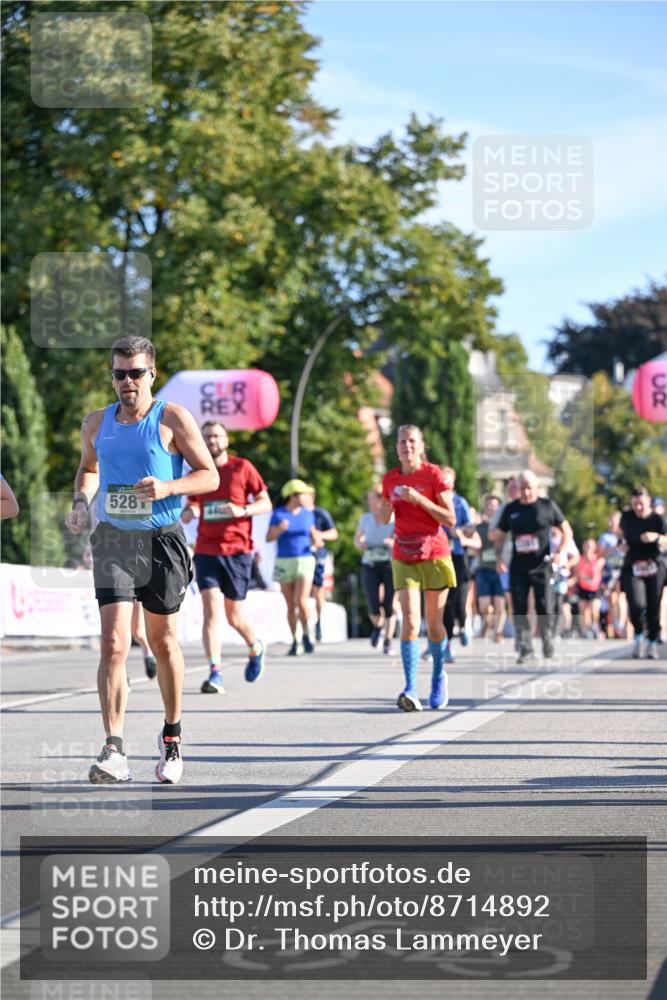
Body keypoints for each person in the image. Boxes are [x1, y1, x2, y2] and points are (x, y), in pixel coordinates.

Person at [66, 336, 218, 785]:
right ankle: (113, 747)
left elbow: (209, 475)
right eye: (119, 373)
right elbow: (89, 470)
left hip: (162, 540)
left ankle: (171, 736)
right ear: (111, 376)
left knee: (164, 641)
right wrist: (80, 502)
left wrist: (169, 488)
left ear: (152, 373)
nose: (127, 382)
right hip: (113, 538)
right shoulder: (96, 422)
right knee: (113, 643)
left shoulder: (171, 418)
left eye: (135, 373)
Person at [181, 421, 272, 693]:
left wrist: (242, 511)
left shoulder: (242, 467)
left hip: (237, 551)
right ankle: (215, 672)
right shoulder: (199, 473)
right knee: (210, 610)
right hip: (206, 549)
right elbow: (193, 507)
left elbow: (265, 502)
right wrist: (189, 513)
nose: (212, 440)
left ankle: (255, 646)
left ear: (226, 440)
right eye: (207, 436)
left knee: (234, 617)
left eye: (217, 436)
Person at [380, 425, 456, 712]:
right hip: (404, 553)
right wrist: (387, 510)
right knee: (411, 622)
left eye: (412, 441)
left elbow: (450, 519)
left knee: (434, 625)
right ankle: (411, 688)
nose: (406, 446)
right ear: (396, 446)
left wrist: (419, 499)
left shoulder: (433, 475)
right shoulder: (390, 478)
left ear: (421, 446)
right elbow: (384, 516)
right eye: (402, 441)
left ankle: (438, 676)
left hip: (435, 553)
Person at [493, 471, 574, 663]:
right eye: (522, 489)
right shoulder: (511, 509)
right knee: (519, 607)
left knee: (544, 606)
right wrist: (498, 558)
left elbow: (566, 530)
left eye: (529, 488)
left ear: (537, 488)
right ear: (518, 490)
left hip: (542, 565)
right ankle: (525, 648)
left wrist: (561, 551)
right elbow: (501, 536)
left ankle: (547, 639)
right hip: (519, 567)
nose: (526, 492)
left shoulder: (547, 506)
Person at [267, 480, 323, 656]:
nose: (306, 497)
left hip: (304, 559)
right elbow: (269, 538)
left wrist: (317, 539)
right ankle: (295, 640)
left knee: (301, 600)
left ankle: (307, 634)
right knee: (290, 605)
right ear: (293, 496)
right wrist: (279, 529)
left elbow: (315, 538)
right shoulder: (278, 514)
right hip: (284, 561)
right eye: (303, 493)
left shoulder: (308, 514)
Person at [619, 486, 667, 659]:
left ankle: (652, 643)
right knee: (636, 604)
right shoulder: (627, 518)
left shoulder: (658, 520)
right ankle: (639, 636)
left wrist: (657, 537)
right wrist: (621, 544)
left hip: (654, 565)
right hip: (634, 565)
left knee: (654, 606)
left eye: (641, 504)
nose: (638, 507)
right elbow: (621, 536)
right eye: (635, 504)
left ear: (648, 502)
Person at [354, 488, 396, 654]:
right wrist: (360, 543)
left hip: (389, 564)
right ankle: (378, 628)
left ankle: (388, 641)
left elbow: (400, 536)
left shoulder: (393, 518)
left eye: (373, 499)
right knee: (373, 604)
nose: (370, 502)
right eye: (369, 499)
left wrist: (392, 542)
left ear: (381, 500)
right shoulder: (365, 518)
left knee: (389, 604)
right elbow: (357, 538)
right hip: (370, 563)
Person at [441, 466, 475, 661]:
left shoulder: (459, 502)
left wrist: (461, 531)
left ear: (453, 483)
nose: (445, 485)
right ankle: (448, 645)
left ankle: (463, 625)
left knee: (460, 603)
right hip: (441, 557)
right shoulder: (435, 502)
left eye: (448, 481)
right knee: (445, 604)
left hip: (458, 557)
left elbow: (471, 527)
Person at [302, 489, 339, 642]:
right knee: (301, 593)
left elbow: (334, 533)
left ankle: (318, 621)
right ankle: (304, 628)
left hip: (318, 556)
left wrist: (319, 535)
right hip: (300, 555)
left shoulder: (320, 513)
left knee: (317, 590)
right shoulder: (296, 514)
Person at [475, 494, 506, 643]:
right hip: (484, 569)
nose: (492, 509)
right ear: (485, 509)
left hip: (500, 569)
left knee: (500, 603)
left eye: (495, 506)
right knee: (485, 606)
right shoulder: (480, 528)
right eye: (489, 506)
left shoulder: (505, 527)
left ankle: (498, 632)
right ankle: (488, 621)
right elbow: (475, 546)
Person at [575, 539, 605, 638]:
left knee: (594, 608)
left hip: (595, 588)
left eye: (590, 546)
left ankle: (595, 626)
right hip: (583, 587)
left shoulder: (598, 560)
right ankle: (586, 629)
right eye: (586, 545)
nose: (588, 548)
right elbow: (578, 574)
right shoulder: (580, 559)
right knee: (583, 609)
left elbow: (596, 575)